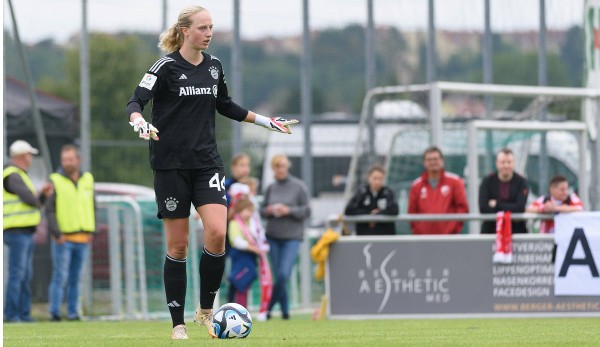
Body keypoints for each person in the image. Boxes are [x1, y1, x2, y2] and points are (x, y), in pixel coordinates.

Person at [125, 6, 298, 340]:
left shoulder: (214, 66)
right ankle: (177, 323)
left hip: (207, 164)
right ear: (185, 31)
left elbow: (225, 105)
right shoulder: (165, 67)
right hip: (170, 166)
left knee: (217, 232)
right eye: (203, 28)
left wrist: (267, 122)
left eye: (211, 27)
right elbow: (134, 102)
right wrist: (140, 122)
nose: (209, 33)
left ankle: (205, 312)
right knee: (178, 246)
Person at [46, 145, 96, 321]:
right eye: (64, 159)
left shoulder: (88, 179)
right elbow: (49, 210)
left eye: (70, 159)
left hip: (83, 237)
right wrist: (56, 233)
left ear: (78, 160)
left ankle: (73, 313)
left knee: (76, 278)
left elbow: (92, 205)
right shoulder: (55, 180)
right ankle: (55, 312)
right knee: (60, 276)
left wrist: (91, 229)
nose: (67, 163)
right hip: (63, 238)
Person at [3, 140, 52, 322]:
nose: (31, 158)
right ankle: (12, 314)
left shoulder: (19, 175)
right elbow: (31, 200)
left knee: (24, 274)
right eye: (29, 154)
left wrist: (42, 196)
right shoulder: (13, 175)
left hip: (24, 232)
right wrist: (42, 196)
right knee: (18, 274)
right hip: (16, 231)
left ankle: (23, 314)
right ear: (22, 156)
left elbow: (35, 201)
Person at [260, 154, 310, 320]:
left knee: (283, 274)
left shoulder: (299, 187)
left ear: (287, 166)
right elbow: (262, 210)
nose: (280, 169)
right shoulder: (270, 188)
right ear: (273, 168)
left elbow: (307, 211)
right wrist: (269, 210)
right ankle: (285, 312)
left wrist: (289, 211)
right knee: (278, 275)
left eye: (282, 165)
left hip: (292, 237)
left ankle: (267, 310)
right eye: (276, 166)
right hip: (273, 236)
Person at [407, 147, 469, 235]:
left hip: (449, 237)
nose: (432, 162)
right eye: (429, 160)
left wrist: (453, 229)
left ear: (441, 161)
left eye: (435, 159)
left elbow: (462, 208)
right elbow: (412, 212)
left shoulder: (455, 182)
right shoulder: (416, 185)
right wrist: (419, 231)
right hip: (423, 238)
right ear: (424, 163)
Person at [227, 198, 268, 308]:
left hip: (250, 258)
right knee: (240, 282)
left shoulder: (252, 223)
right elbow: (236, 241)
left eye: (251, 211)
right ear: (240, 210)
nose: (249, 214)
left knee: (245, 284)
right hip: (240, 257)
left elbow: (259, 236)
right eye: (247, 210)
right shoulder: (234, 223)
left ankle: (242, 309)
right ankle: (237, 309)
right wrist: (253, 248)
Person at [479, 148, 530, 234]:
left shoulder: (521, 182)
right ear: (497, 163)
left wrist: (497, 204)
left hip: (516, 233)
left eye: (509, 162)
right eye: (503, 162)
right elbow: (483, 208)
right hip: (491, 233)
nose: (506, 165)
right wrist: (510, 207)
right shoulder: (487, 181)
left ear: (513, 163)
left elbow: (520, 208)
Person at [344, 164, 399, 235]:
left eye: (380, 179)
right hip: (364, 237)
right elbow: (349, 210)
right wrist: (369, 214)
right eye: (375, 178)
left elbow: (395, 210)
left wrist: (378, 214)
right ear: (369, 178)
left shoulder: (388, 193)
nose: (377, 182)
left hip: (385, 237)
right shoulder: (362, 192)